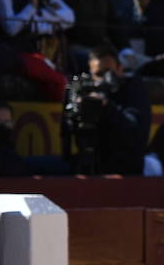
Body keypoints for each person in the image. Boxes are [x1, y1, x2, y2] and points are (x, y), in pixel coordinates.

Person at [62, 45, 151, 175]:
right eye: (99, 74)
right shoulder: (85, 89)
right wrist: (77, 103)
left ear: (120, 69)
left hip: (123, 170)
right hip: (86, 162)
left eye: (109, 72)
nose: (104, 79)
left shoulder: (133, 90)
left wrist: (106, 107)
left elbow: (134, 133)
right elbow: (70, 129)